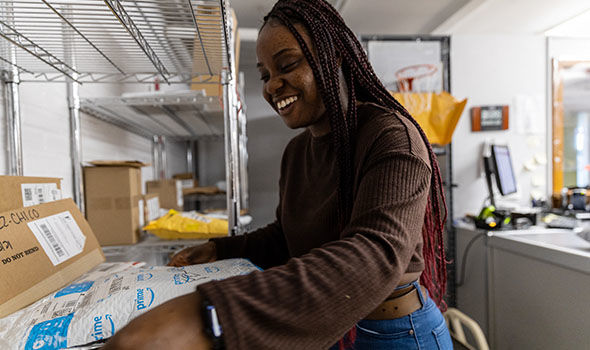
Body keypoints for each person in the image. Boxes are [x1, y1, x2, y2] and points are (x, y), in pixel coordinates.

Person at [103, 0, 452, 349]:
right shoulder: (297, 152)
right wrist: (220, 249)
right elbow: (288, 237)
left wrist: (211, 315)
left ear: (336, 57)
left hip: (395, 333)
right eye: (266, 75)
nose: (272, 86)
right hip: (334, 326)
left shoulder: (390, 137)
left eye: (286, 65)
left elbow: (376, 254)